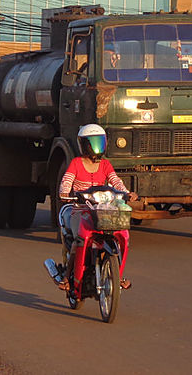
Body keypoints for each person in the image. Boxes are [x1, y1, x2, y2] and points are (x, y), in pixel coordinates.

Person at [52, 124, 136, 291]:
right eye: (92, 142)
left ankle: (117, 274)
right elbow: (66, 183)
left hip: (102, 211)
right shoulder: (76, 163)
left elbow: (116, 181)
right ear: (84, 145)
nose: (96, 147)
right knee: (79, 240)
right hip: (80, 211)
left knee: (119, 237)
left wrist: (127, 193)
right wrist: (65, 193)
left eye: (99, 141)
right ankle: (67, 278)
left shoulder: (105, 164)